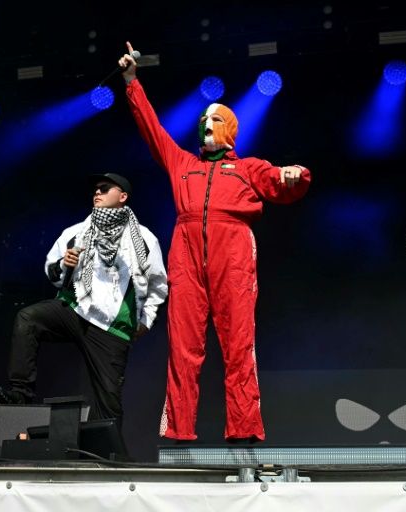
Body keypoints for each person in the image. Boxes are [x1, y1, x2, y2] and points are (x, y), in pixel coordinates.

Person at [117, 42, 311, 442]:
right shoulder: (182, 164)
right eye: (204, 119)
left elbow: (283, 184)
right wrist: (132, 82)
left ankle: (243, 430)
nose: (207, 123)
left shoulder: (247, 168)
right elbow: (152, 130)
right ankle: (179, 431)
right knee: (183, 345)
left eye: (216, 119)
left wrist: (297, 175)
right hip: (186, 254)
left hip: (233, 254)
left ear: (230, 130)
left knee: (238, 343)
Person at [0, 172, 168, 422]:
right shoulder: (77, 231)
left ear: (123, 196)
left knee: (109, 406)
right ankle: (20, 393)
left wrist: (146, 320)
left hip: (110, 326)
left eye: (105, 188)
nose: (97, 192)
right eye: (96, 189)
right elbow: (52, 271)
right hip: (75, 309)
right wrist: (65, 264)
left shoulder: (144, 238)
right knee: (28, 319)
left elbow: (158, 284)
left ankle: (110, 446)